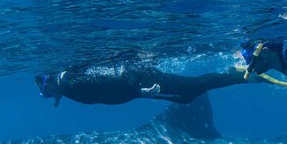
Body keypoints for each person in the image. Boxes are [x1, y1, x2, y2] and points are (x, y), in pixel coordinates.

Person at [36, 62, 248, 107]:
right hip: (134, 77)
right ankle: (234, 74)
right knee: (188, 91)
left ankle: (242, 75)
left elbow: (111, 87)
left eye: (46, 92)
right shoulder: (71, 81)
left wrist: (140, 92)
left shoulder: (74, 85)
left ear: (52, 84)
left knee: (190, 90)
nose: (48, 96)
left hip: (138, 80)